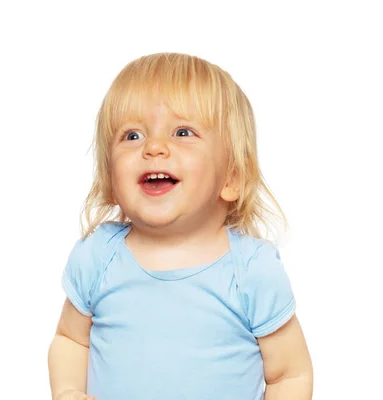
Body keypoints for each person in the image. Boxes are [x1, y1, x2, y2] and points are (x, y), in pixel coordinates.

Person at [48, 53, 313, 400]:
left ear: (230, 177)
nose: (154, 147)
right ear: (110, 179)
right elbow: (70, 338)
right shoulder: (98, 257)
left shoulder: (250, 270)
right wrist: (68, 391)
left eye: (182, 132)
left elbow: (289, 374)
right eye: (132, 136)